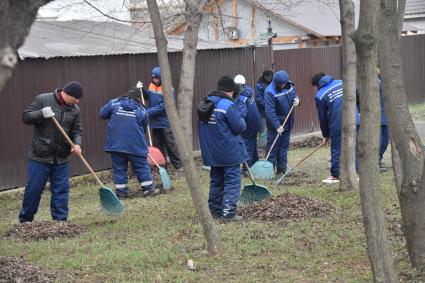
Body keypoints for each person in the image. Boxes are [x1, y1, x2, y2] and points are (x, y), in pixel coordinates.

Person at [19, 81, 84, 223]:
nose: (78, 101)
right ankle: (25, 221)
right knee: (34, 190)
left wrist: (77, 144)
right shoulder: (43, 99)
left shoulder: (75, 109)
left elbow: (77, 130)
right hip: (40, 156)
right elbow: (26, 117)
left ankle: (60, 222)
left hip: (62, 158)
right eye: (76, 98)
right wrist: (41, 113)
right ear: (67, 94)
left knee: (61, 191)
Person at [198, 75, 248, 221]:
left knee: (216, 181)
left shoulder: (205, 104)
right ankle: (228, 213)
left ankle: (214, 211)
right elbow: (240, 127)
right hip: (229, 152)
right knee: (232, 181)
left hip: (212, 153)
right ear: (232, 90)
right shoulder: (227, 105)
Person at [99, 87, 159, 198]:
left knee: (119, 168)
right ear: (138, 98)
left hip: (116, 145)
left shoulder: (113, 104)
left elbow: (102, 114)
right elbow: (144, 127)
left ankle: (121, 193)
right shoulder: (141, 110)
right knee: (141, 167)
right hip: (135, 145)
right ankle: (148, 190)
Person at [311, 72, 360, 183]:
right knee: (354, 145)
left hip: (338, 123)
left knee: (336, 148)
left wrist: (326, 135)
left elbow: (322, 118)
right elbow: (356, 95)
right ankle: (355, 171)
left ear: (316, 85)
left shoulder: (320, 95)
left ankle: (335, 175)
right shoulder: (342, 82)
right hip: (354, 118)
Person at [138, 66, 183, 171]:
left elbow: (165, 106)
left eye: (157, 78)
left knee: (170, 145)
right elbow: (148, 97)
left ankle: (178, 165)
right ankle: (162, 166)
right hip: (155, 122)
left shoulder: (168, 88)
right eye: (153, 78)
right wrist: (141, 90)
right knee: (158, 146)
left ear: (162, 78)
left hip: (165, 122)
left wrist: (148, 112)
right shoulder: (151, 86)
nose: (155, 80)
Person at [264, 70, 299, 177]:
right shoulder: (269, 91)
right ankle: (268, 171)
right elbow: (270, 111)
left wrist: (297, 100)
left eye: (284, 83)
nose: (283, 85)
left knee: (283, 147)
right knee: (273, 148)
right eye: (281, 84)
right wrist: (277, 125)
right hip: (276, 125)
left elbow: (295, 95)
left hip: (288, 122)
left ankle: (282, 170)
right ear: (276, 82)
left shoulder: (290, 85)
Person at [234, 74, 262, 171]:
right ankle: (255, 163)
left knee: (248, 147)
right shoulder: (248, 91)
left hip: (249, 125)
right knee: (252, 144)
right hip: (255, 123)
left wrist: (236, 123)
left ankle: (247, 168)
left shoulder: (241, 97)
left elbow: (242, 113)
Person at [255, 69, 274, 148]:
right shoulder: (259, 84)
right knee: (262, 128)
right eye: (268, 77)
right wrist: (267, 105)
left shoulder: (273, 82)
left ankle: (269, 144)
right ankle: (261, 145)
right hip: (262, 111)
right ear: (264, 76)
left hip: (271, 110)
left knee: (271, 127)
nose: (269, 79)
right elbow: (258, 99)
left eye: (271, 77)